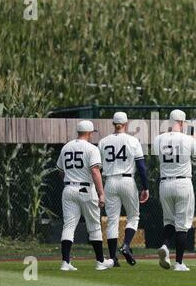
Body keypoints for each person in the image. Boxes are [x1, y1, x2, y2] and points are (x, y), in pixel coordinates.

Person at [56, 120, 114, 271]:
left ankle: (65, 262)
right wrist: (101, 194)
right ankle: (100, 261)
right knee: (94, 227)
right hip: (86, 190)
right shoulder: (91, 148)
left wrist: (69, 181)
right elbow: (95, 171)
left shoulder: (66, 147)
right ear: (89, 133)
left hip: (68, 189)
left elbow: (60, 171)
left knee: (68, 226)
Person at [98, 112, 149, 267]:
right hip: (127, 180)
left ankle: (113, 258)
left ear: (113, 124)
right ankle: (126, 245)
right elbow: (141, 167)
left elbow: (97, 167)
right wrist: (145, 187)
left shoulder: (103, 142)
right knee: (133, 216)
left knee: (112, 221)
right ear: (126, 124)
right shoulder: (132, 140)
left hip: (110, 181)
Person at [154, 110, 196, 271]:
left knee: (169, 221)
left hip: (165, 183)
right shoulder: (188, 139)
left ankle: (165, 246)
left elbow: (158, 158)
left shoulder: (158, 139)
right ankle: (179, 263)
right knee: (182, 225)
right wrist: (194, 139)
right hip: (183, 183)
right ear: (181, 122)